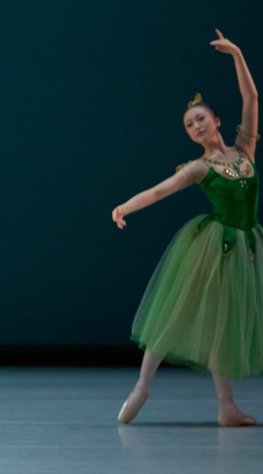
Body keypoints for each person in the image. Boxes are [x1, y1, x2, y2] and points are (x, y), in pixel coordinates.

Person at [112, 30, 261, 427]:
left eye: (200, 119)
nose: (196, 126)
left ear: (216, 120)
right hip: (213, 246)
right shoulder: (201, 168)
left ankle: (226, 406)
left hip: (247, 244)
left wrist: (238, 55)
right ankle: (142, 387)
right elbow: (161, 190)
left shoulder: (244, 149)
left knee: (224, 324)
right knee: (172, 312)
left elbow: (252, 98)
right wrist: (126, 205)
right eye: (189, 125)